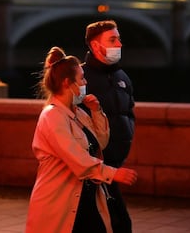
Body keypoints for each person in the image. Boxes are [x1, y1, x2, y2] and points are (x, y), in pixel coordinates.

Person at [26, 47, 138, 233]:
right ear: (67, 83)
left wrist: (96, 112)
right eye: (82, 78)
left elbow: (100, 143)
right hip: (60, 200)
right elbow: (76, 158)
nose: (86, 82)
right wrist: (113, 173)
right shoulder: (53, 116)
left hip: (85, 198)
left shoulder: (78, 112)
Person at [82, 19, 135, 233]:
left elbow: (128, 112)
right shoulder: (81, 77)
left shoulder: (122, 77)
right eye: (113, 39)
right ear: (95, 46)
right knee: (116, 224)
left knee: (116, 223)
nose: (119, 44)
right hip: (91, 168)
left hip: (114, 165)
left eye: (119, 39)